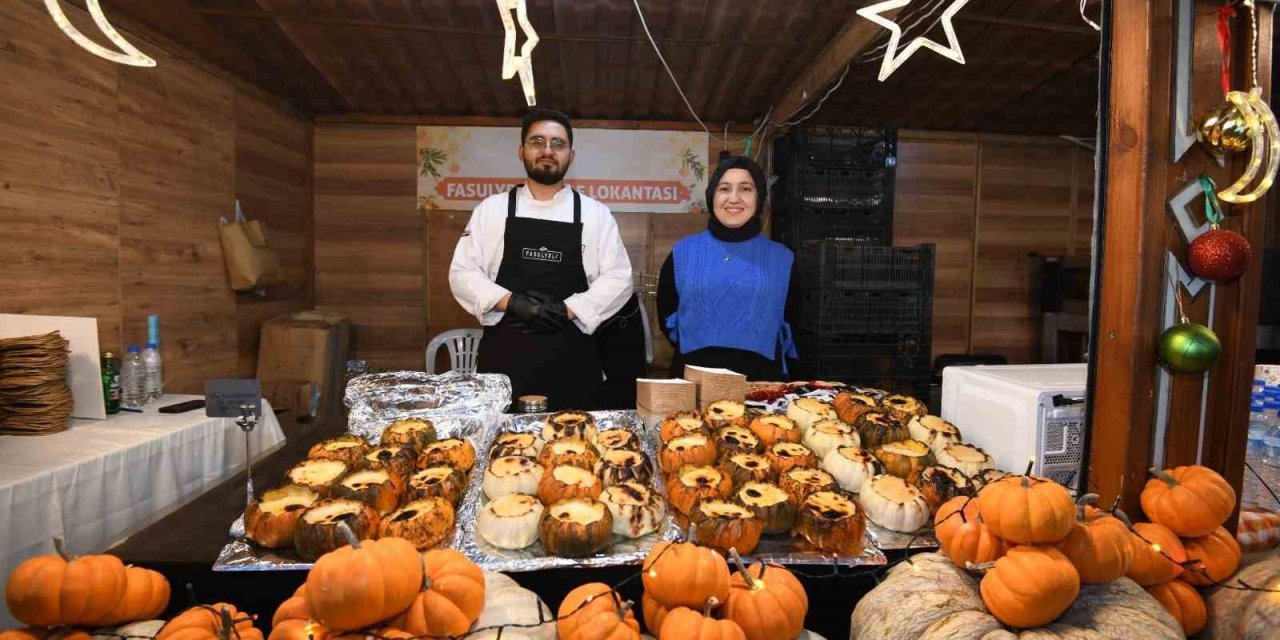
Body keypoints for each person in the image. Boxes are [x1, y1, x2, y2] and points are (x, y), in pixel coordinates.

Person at [449, 108, 633, 410]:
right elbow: (462, 273)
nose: (548, 150)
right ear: (521, 151)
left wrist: (568, 310)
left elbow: (619, 278)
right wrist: (513, 303)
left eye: (557, 143)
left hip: (573, 365)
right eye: (538, 141)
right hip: (503, 367)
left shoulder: (595, 214)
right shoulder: (491, 210)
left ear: (571, 156)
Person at [657, 156, 797, 381]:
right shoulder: (683, 252)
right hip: (693, 384)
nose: (734, 198)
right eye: (724, 188)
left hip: (761, 388)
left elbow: (793, 320)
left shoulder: (783, 258)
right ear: (712, 195)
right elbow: (666, 314)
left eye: (745, 189)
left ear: (759, 197)